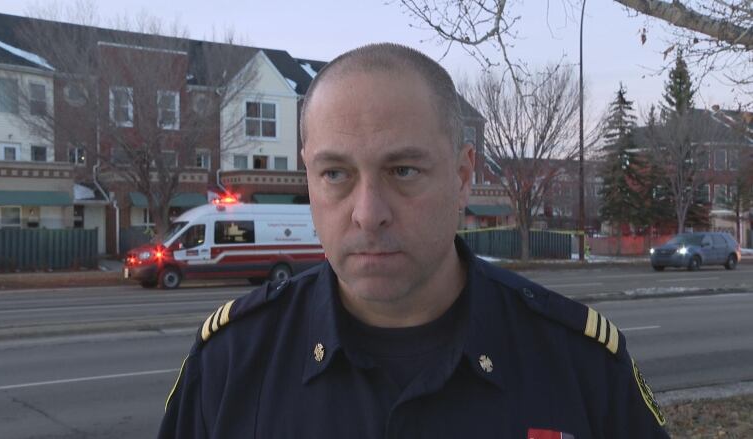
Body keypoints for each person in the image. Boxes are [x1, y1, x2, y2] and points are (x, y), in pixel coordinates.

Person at [158, 43, 670, 438]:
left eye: (402, 170)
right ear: (308, 178)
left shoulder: (579, 363)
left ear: (464, 174)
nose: (368, 214)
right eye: (336, 174)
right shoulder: (231, 364)